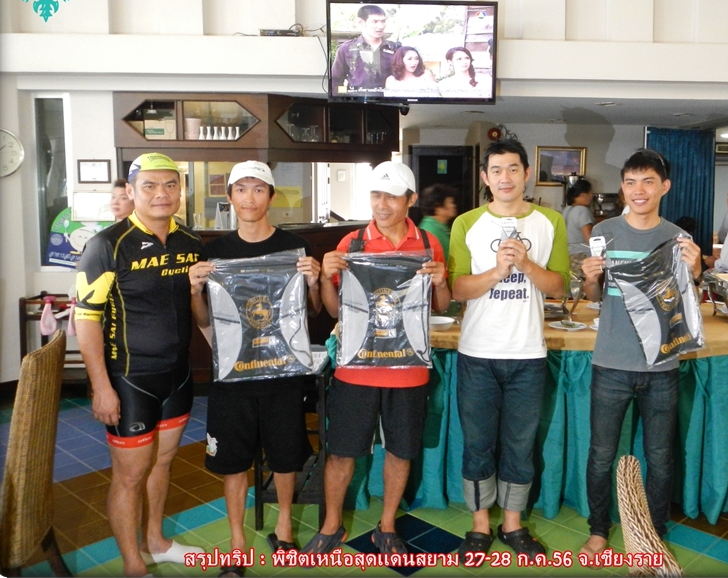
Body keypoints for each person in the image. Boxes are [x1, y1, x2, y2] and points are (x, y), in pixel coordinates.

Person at [303, 160, 451, 555]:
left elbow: (441, 305)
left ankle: (386, 526)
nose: (382, 204)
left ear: (411, 199)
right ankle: (332, 524)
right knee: (342, 452)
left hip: (408, 369)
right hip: (357, 368)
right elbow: (335, 310)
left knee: (400, 451)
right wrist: (325, 278)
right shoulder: (351, 243)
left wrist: (440, 282)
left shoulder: (427, 243)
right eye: (375, 195)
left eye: (391, 196)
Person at [187, 161, 322, 577]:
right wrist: (194, 289)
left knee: (285, 455)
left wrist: (314, 283)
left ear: (271, 196)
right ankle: (236, 544)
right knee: (232, 461)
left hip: (282, 372)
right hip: (233, 375)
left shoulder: (295, 247)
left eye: (259, 189)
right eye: (242, 189)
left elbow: (313, 312)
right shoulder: (215, 252)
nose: (250, 198)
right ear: (230, 196)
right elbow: (204, 319)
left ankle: (284, 528)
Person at [74, 153, 205, 577]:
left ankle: (156, 541)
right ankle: (133, 564)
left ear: (180, 191)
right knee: (129, 477)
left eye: (170, 184)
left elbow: (197, 308)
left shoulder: (190, 242)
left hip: (177, 376)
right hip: (129, 380)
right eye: (149, 185)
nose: (161, 193)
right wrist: (101, 387)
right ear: (130, 191)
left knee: (162, 464)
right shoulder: (107, 245)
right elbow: (86, 319)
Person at [448, 139, 570, 563]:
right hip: (477, 353)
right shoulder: (466, 223)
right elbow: (457, 289)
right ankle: (480, 524)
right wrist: (497, 270)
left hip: (528, 354)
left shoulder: (550, 221)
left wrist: (527, 266)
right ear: (485, 177)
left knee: (520, 444)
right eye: (497, 170)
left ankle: (513, 523)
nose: (505, 178)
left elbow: (559, 287)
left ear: (526, 174)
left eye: (513, 169)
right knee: (477, 443)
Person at [578, 148, 702, 561]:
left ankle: (654, 531)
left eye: (648, 181)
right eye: (631, 182)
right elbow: (594, 297)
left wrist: (696, 273)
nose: (639, 190)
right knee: (601, 454)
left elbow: (685, 305)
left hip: (662, 365)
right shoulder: (604, 231)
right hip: (610, 363)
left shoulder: (679, 239)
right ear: (622, 187)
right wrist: (589, 279)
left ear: (664, 187)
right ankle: (599, 529)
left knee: (660, 458)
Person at [330, 4, 398, 95]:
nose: (381, 26)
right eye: (375, 21)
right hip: (356, 101)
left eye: (383, 21)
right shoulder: (346, 49)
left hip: (388, 101)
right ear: (361, 22)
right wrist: (343, 97)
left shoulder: (395, 49)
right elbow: (335, 80)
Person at [562, 179, 595, 275]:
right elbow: (590, 239)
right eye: (590, 193)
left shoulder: (566, 210)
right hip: (580, 256)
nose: (592, 196)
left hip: (566, 255)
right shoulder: (582, 211)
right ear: (583, 194)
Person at [418, 183, 459, 259]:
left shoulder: (440, 226)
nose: (453, 206)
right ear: (437, 207)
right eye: (450, 202)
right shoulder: (429, 231)